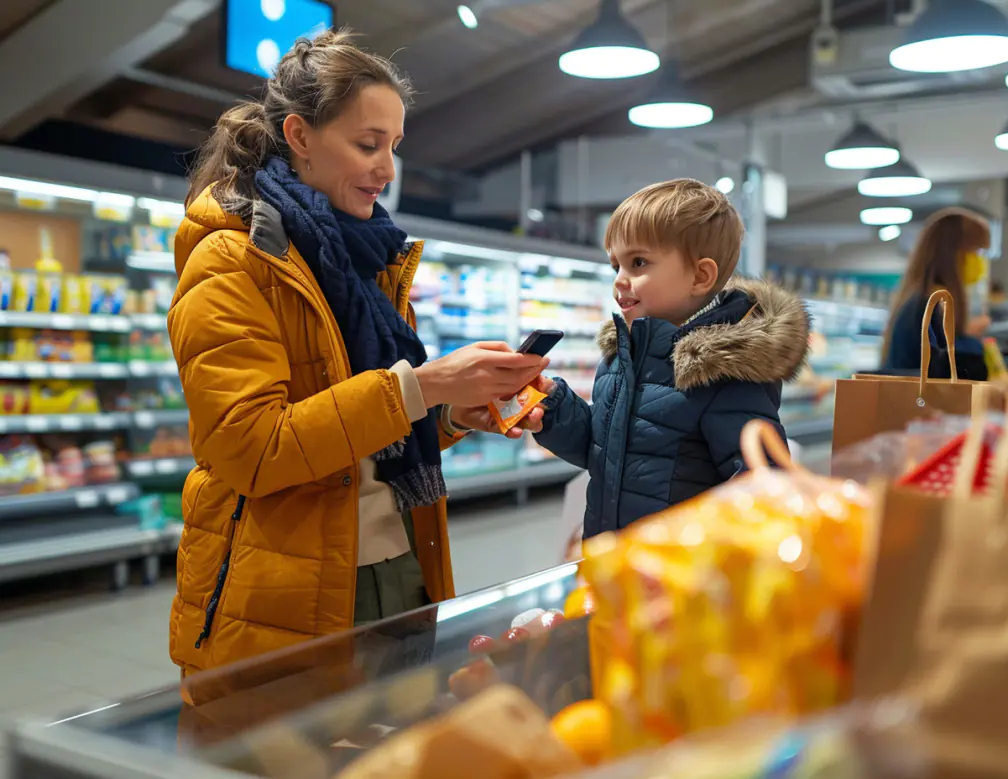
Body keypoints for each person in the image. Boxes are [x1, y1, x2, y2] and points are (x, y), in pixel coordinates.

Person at [167, 29, 548, 677]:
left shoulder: (371, 262)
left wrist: (451, 413)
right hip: (283, 591)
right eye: (368, 145)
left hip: (402, 567)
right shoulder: (231, 262)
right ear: (300, 135)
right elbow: (253, 450)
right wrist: (423, 387)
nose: (388, 170)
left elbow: (368, 440)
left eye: (394, 146)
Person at [526, 179, 810, 538]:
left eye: (638, 263)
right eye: (616, 265)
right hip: (616, 560)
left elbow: (760, 488)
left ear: (700, 276)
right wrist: (554, 408)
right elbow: (601, 453)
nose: (619, 280)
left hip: (678, 566)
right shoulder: (620, 359)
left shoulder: (724, 374)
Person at [882, 207, 991, 377]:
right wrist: (971, 341)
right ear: (953, 252)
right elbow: (954, 365)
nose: (979, 260)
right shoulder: (936, 299)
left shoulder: (918, 296)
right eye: (976, 252)